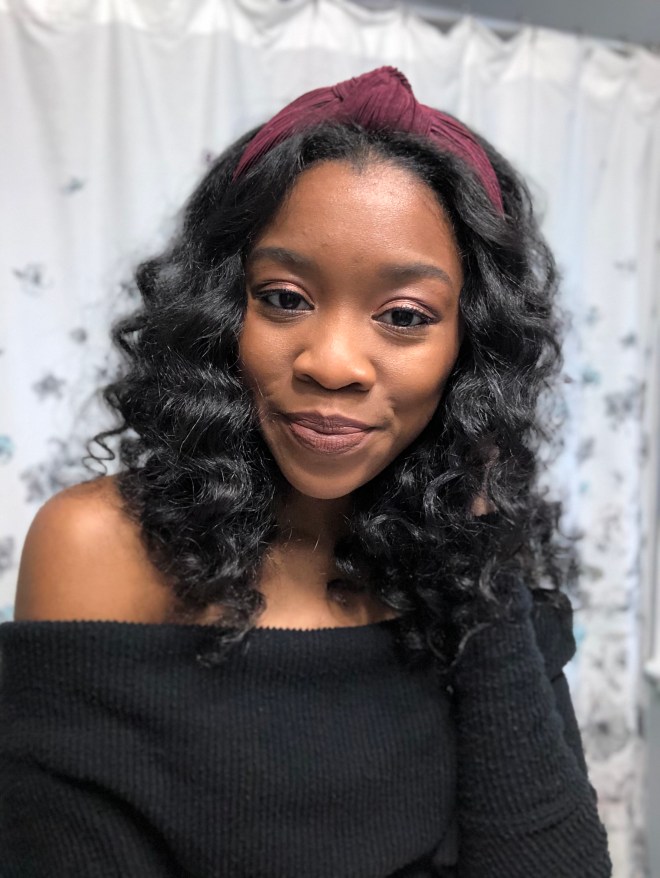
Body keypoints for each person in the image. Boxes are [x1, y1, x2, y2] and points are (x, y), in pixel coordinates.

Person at [0, 67, 612, 876]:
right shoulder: (99, 547)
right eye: (285, 298)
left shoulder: (462, 559)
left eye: (404, 316)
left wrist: (482, 559)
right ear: (222, 312)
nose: (331, 363)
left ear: (470, 351)